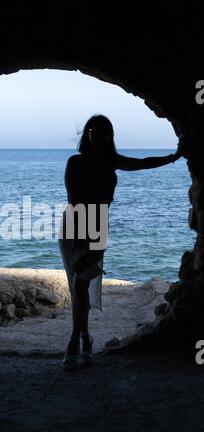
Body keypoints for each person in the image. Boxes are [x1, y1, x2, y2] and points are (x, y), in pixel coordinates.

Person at [58, 113, 185, 370]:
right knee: (78, 285)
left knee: (83, 282)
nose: (100, 135)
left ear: (109, 136)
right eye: (95, 130)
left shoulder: (111, 162)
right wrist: (80, 241)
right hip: (75, 224)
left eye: (105, 132)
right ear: (88, 133)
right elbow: (73, 199)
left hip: (97, 225)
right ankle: (79, 338)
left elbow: (144, 163)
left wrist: (173, 157)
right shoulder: (75, 162)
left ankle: (80, 338)